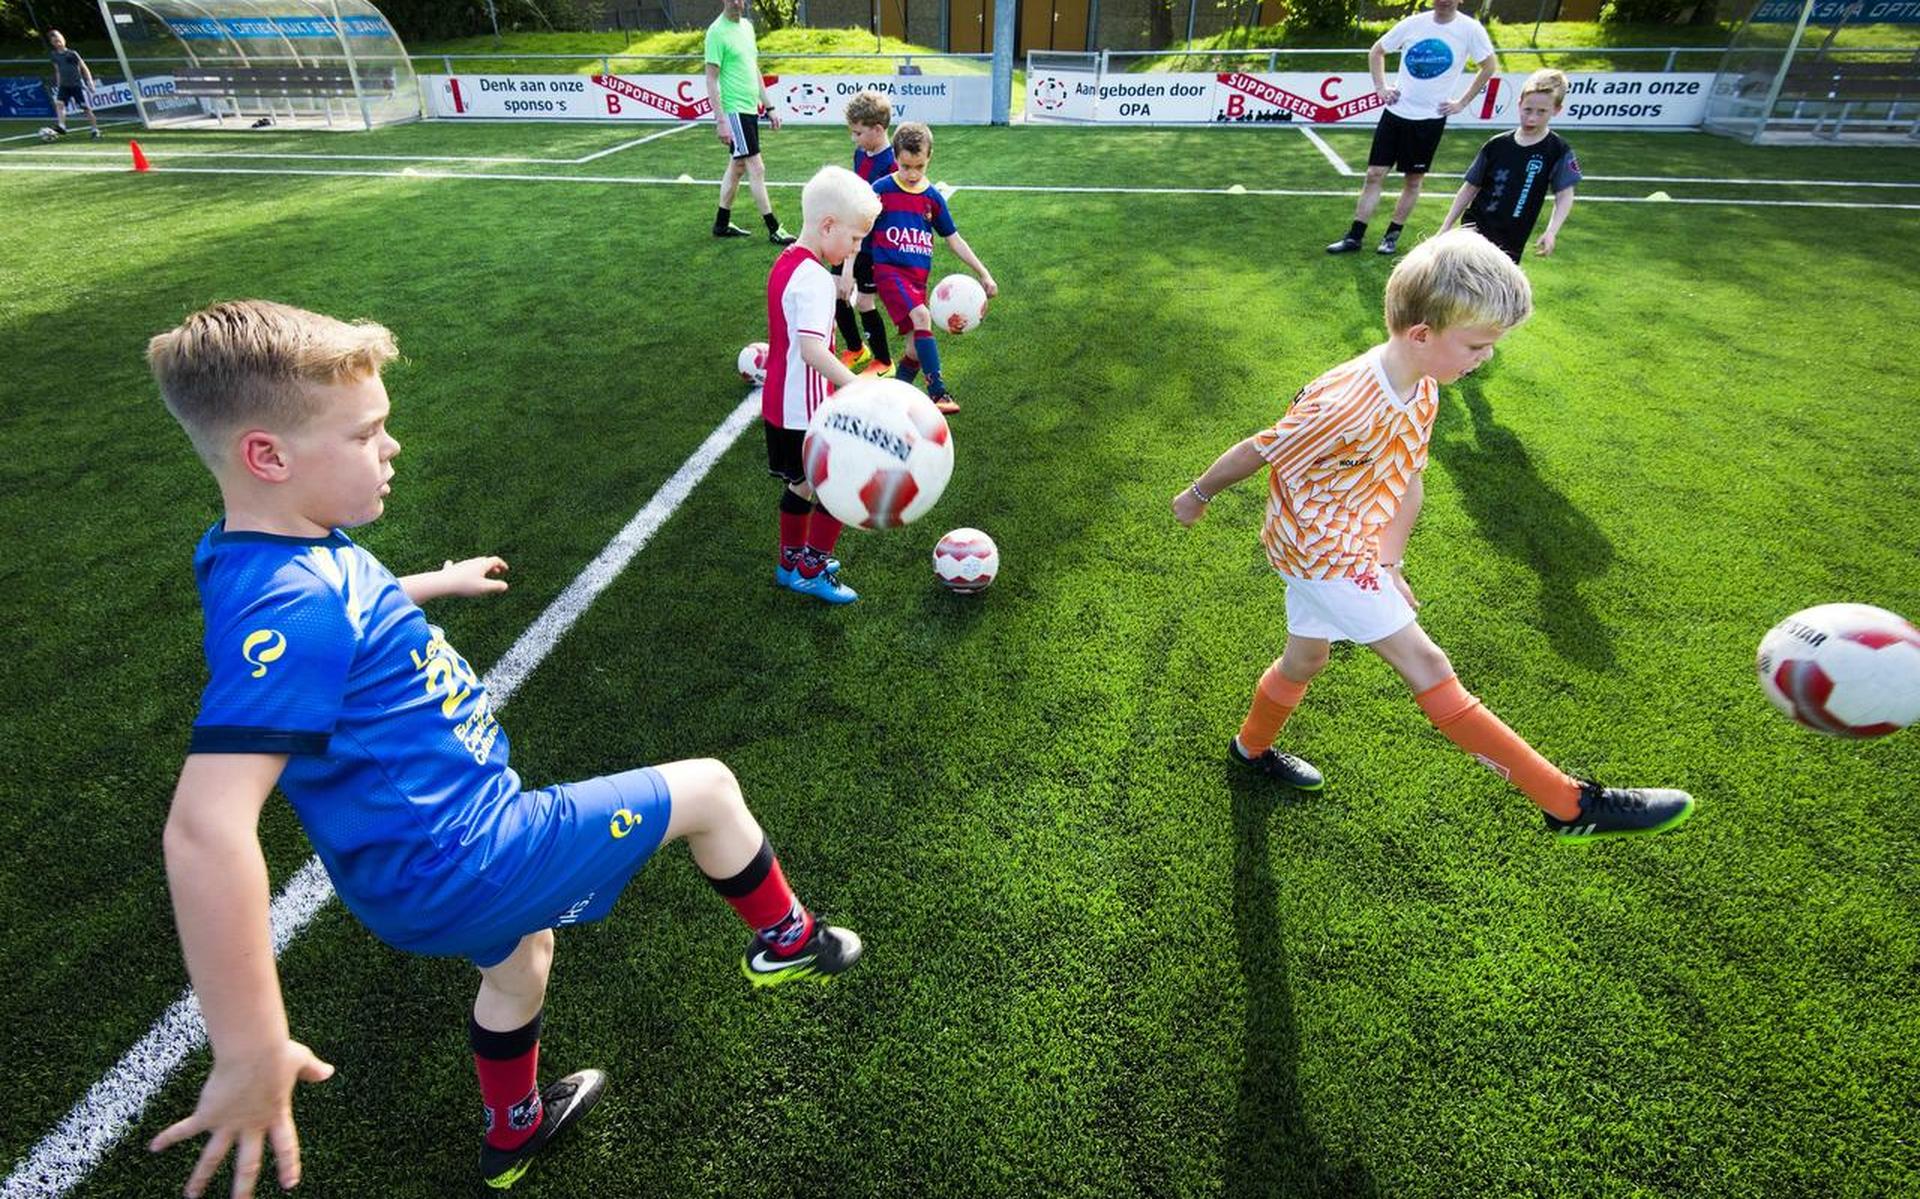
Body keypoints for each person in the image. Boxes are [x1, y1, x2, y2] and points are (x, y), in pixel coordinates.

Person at [143, 299, 862, 1197]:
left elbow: (348, 606)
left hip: (417, 877)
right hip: (471, 854)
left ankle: (512, 1132)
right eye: (367, 434)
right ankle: (786, 940)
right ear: (268, 455)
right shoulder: (295, 606)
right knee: (710, 790)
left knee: (523, 961)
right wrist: (248, 1045)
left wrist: (433, 583)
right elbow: (204, 827)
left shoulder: (260, 551)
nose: (390, 447)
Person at [1173, 229, 1693, 841]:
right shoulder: (1344, 404)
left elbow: (1409, 476)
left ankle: (1250, 750)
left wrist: (1389, 562)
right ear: (1422, 334)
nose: (1486, 358)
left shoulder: (1421, 386)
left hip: (1344, 549)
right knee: (1427, 662)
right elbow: (1260, 449)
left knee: (1305, 657)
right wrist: (1198, 494)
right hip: (1321, 553)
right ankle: (1568, 804)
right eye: (1476, 345)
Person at [766, 166, 882, 605]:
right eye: (854, 240)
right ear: (827, 225)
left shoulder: (787, 263)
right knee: (840, 487)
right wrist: (860, 389)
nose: (856, 249)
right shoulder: (814, 278)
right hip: (808, 409)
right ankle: (812, 569)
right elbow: (813, 350)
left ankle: (788, 564)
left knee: (800, 484)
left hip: (781, 403)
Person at [1326, 0, 1496, 257]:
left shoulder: (1470, 30)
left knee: (1413, 180)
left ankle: (1391, 236)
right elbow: (1377, 51)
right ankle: (1355, 236)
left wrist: (1462, 102)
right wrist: (1381, 88)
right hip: (1395, 114)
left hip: (1429, 120)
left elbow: (1489, 66)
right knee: (1374, 173)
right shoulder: (1414, 23)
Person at [868, 122, 997, 415]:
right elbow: (860, 229)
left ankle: (891, 397)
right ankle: (937, 392)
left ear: (929, 159)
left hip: (917, 279)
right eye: (905, 166)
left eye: (919, 167)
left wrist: (984, 273)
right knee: (922, 315)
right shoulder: (881, 190)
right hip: (889, 271)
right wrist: (848, 270)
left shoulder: (932, 198)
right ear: (896, 158)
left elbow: (954, 239)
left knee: (915, 348)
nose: (912, 174)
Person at [1438, 69, 1582, 263]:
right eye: (1528, 110)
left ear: (1556, 110)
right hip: (1473, 230)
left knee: (1495, 290)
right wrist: (1446, 225)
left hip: (1512, 238)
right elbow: (1471, 186)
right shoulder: (1497, 144)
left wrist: (1551, 232)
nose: (1532, 118)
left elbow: (1564, 194)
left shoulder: (1557, 150)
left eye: (1542, 112)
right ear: (1519, 104)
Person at [705, 0, 796, 244]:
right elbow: (711, 80)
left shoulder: (747, 26)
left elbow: (753, 69)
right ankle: (774, 228)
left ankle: (721, 224)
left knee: (737, 168)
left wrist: (769, 106)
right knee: (757, 167)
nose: (738, 2)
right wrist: (720, 120)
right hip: (734, 111)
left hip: (749, 109)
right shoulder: (716, 32)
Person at [834, 88, 897, 376]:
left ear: (878, 129)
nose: (854, 139)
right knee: (837, 292)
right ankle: (857, 348)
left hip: (871, 246)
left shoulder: (891, 167)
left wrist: (850, 263)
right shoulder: (861, 153)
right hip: (849, 237)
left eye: (858, 133)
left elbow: (871, 218)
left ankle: (884, 361)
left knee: (863, 301)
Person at [46, 30, 101, 140]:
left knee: (85, 108)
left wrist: (89, 82)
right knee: (59, 104)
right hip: (64, 86)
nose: (58, 43)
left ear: (63, 39)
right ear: (52, 43)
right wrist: (58, 85)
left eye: (59, 40)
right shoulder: (54, 55)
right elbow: (57, 71)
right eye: (55, 42)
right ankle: (62, 126)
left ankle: (95, 130)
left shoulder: (72, 54)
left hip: (77, 86)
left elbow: (84, 68)